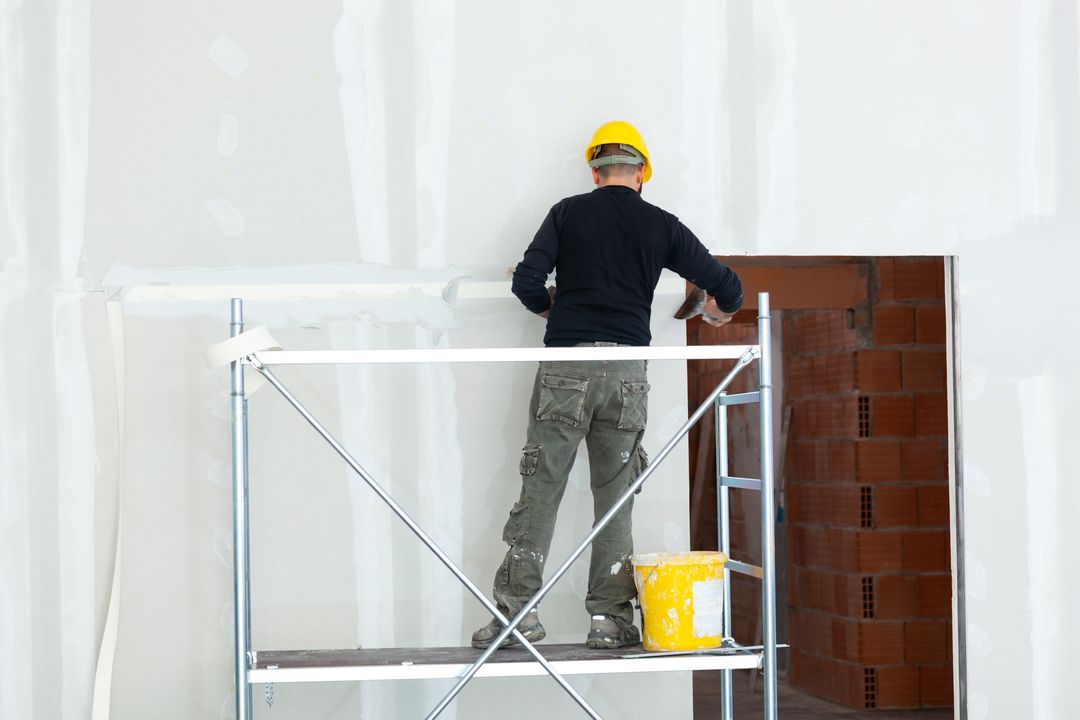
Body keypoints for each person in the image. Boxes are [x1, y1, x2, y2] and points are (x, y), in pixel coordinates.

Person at [471, 121, 744, 650]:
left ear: (594, 173)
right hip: (626, 378)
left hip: (566, 371)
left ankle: (517, 615)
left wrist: (553, 310)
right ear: (641, 173)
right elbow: (728, 287)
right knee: (615, 499)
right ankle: (609, 620)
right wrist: (717, 309)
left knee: (541, 490)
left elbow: (526, 282)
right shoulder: (661, 225)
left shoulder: (566, 213)